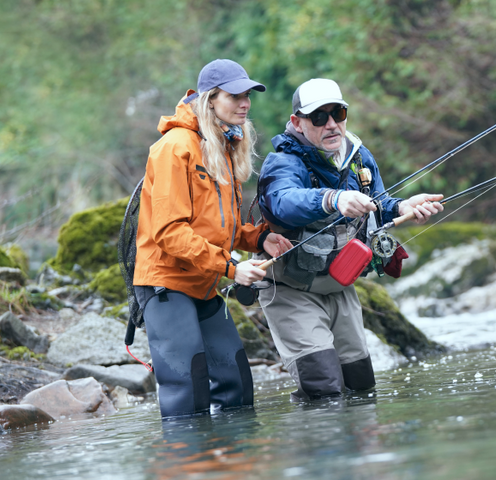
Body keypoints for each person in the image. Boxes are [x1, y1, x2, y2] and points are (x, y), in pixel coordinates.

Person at [256, 78, 443, 402]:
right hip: (291, 293)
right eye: (319, 117)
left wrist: (402, 207)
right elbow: (282, 201)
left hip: (342, 290)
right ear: (297, 123)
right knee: (324, 390)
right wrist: (332, 199)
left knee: (361, 388)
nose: (331, 124)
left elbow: (378, 204)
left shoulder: (359, 158)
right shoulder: (283, 162)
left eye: (338, 113)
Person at [133, 59, 292, 418]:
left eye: (247, 95)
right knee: (188, 393)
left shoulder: (223, 144)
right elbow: (170, 232)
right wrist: (232, 269)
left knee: (237, 387)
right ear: (209, 100)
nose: (245, 103)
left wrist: (258, 240)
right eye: (235, 95)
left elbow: (223, 227)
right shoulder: (174, 147)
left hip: (204, 282)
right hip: (165, 285)